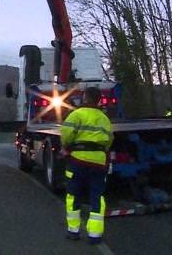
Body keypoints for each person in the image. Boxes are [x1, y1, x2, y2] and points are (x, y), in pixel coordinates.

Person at [60, 87, 113, 245]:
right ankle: (95, 235)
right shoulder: (104, 118)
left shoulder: (76, 115)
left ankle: (73, 231)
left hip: (78, 160)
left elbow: (66, 135)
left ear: (85, 98)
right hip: (98, 162)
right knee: (97, 197)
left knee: (73, 195)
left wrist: (66, 147)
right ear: (98, 100)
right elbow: (109, 140)